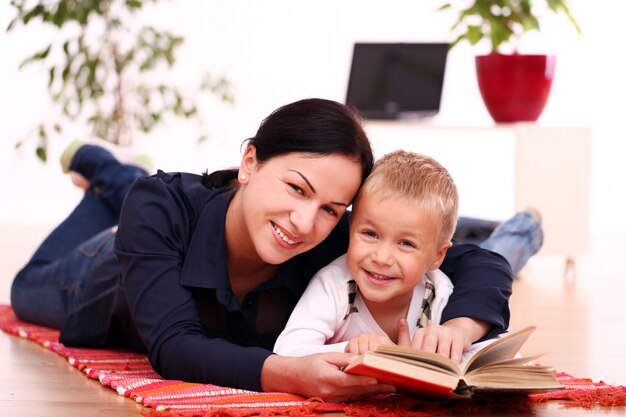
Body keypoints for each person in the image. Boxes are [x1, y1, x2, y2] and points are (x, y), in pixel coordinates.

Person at [10, 98, 537, 402]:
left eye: (333, 208)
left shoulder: (330, 232)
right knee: (24, 286)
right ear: (250, 161)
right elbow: (171, 346)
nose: (306, 222)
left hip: (173, 217)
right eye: (296, 188)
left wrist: (461, 329)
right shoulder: (162, 207)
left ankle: (116, 177)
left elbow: (476, 261)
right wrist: (291, 375)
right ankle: (107, 168)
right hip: (97, 274)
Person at [275, 150, 484, 362]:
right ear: (350, 230)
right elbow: (286, 351)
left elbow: (486, 350)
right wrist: (349, 349)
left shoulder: (438, 292)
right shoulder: (334, 284)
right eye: (370, 234)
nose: (382, 258)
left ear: (437, 257)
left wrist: (452, 343)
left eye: (406, 243)